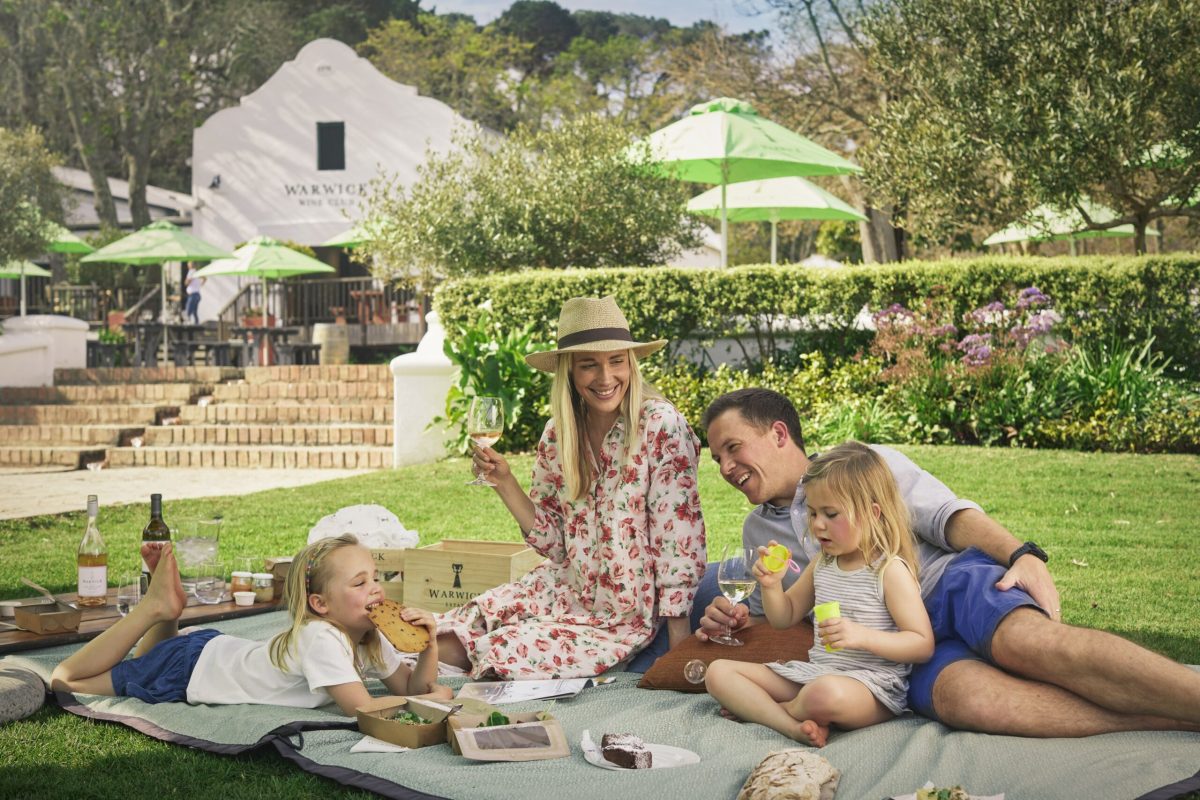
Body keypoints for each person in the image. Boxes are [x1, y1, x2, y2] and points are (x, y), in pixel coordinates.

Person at [698, 387, 1200, 737]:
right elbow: (788, 608)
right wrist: (736, 614)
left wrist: (1022, 554)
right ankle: (1165, 719)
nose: (724, 467)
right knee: (973, 703)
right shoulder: (756, 532)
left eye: (733, 448)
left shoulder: (863, 466)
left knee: (1034, 646)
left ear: (779, 434)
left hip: (950, 586)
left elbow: (949, 518)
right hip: (888, 658)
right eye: (717, 457)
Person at [437, 295, 706, 679]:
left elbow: (679, 535)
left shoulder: (660, 425)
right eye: (589, 365)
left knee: (503, 649)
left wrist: (679, 637)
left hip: (621, 614)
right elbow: (555, 545)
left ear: (631, 363)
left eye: (616, 361)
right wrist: (504, 482)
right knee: (460, 625)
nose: (605, 377)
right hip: (562, 586)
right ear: (568, 371)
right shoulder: (558, 434)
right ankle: (370, 673)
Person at [50, 535, 451, 716]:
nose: (376, 589)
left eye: (375, 578)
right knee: (65, 681)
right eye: (359, 583)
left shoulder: (367, 632)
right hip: (190, 672)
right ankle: (154, 607)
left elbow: (407, 688)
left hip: (211, 649)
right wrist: (431, 703)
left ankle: (167, 610)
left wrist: (430, 646)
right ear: (320, 604)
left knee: (149, 656)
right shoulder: (321, 637)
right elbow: (365, 710)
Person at [706, 442, 935, 746]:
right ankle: (790, 725)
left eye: (831, 514)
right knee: (718, 672)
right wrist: (772, 584)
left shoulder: (889, 570)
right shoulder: (823, 564)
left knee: (824, 694)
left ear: (872, 513)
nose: (818, 525)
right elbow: (783, 617)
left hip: (870, 687)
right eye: (813, 513)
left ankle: (769, 711)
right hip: (815, 672)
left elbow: (921, 644)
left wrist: (860, 636)